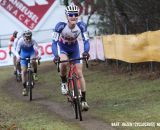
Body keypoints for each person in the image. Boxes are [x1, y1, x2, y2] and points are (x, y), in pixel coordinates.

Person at [52, 4, 90, 111]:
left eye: (75, 14)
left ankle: (83, 100)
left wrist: (86, 52)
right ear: (67, 16)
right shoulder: (60, 26)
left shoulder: (81, 26)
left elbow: (86, 40)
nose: (73, 17)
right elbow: (54, 42)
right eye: (71, 15)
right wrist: (56, 55)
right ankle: (64, 81)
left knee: (79, 73)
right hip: (63, 48)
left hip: (74, 49)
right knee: (63, 62)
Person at [16, 30, 41, 96]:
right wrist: (18, 57)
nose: (28, 39)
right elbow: (17, 50)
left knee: (33, 60)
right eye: (27, 37)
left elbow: (38, 49)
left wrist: (39, 56)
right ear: (24, 37)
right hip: (23, 54)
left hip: (31, 53)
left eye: (29, 37)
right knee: (23, 71)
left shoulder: (33, 40)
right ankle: (24, 88)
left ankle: (35, 73)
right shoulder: (20, 41)